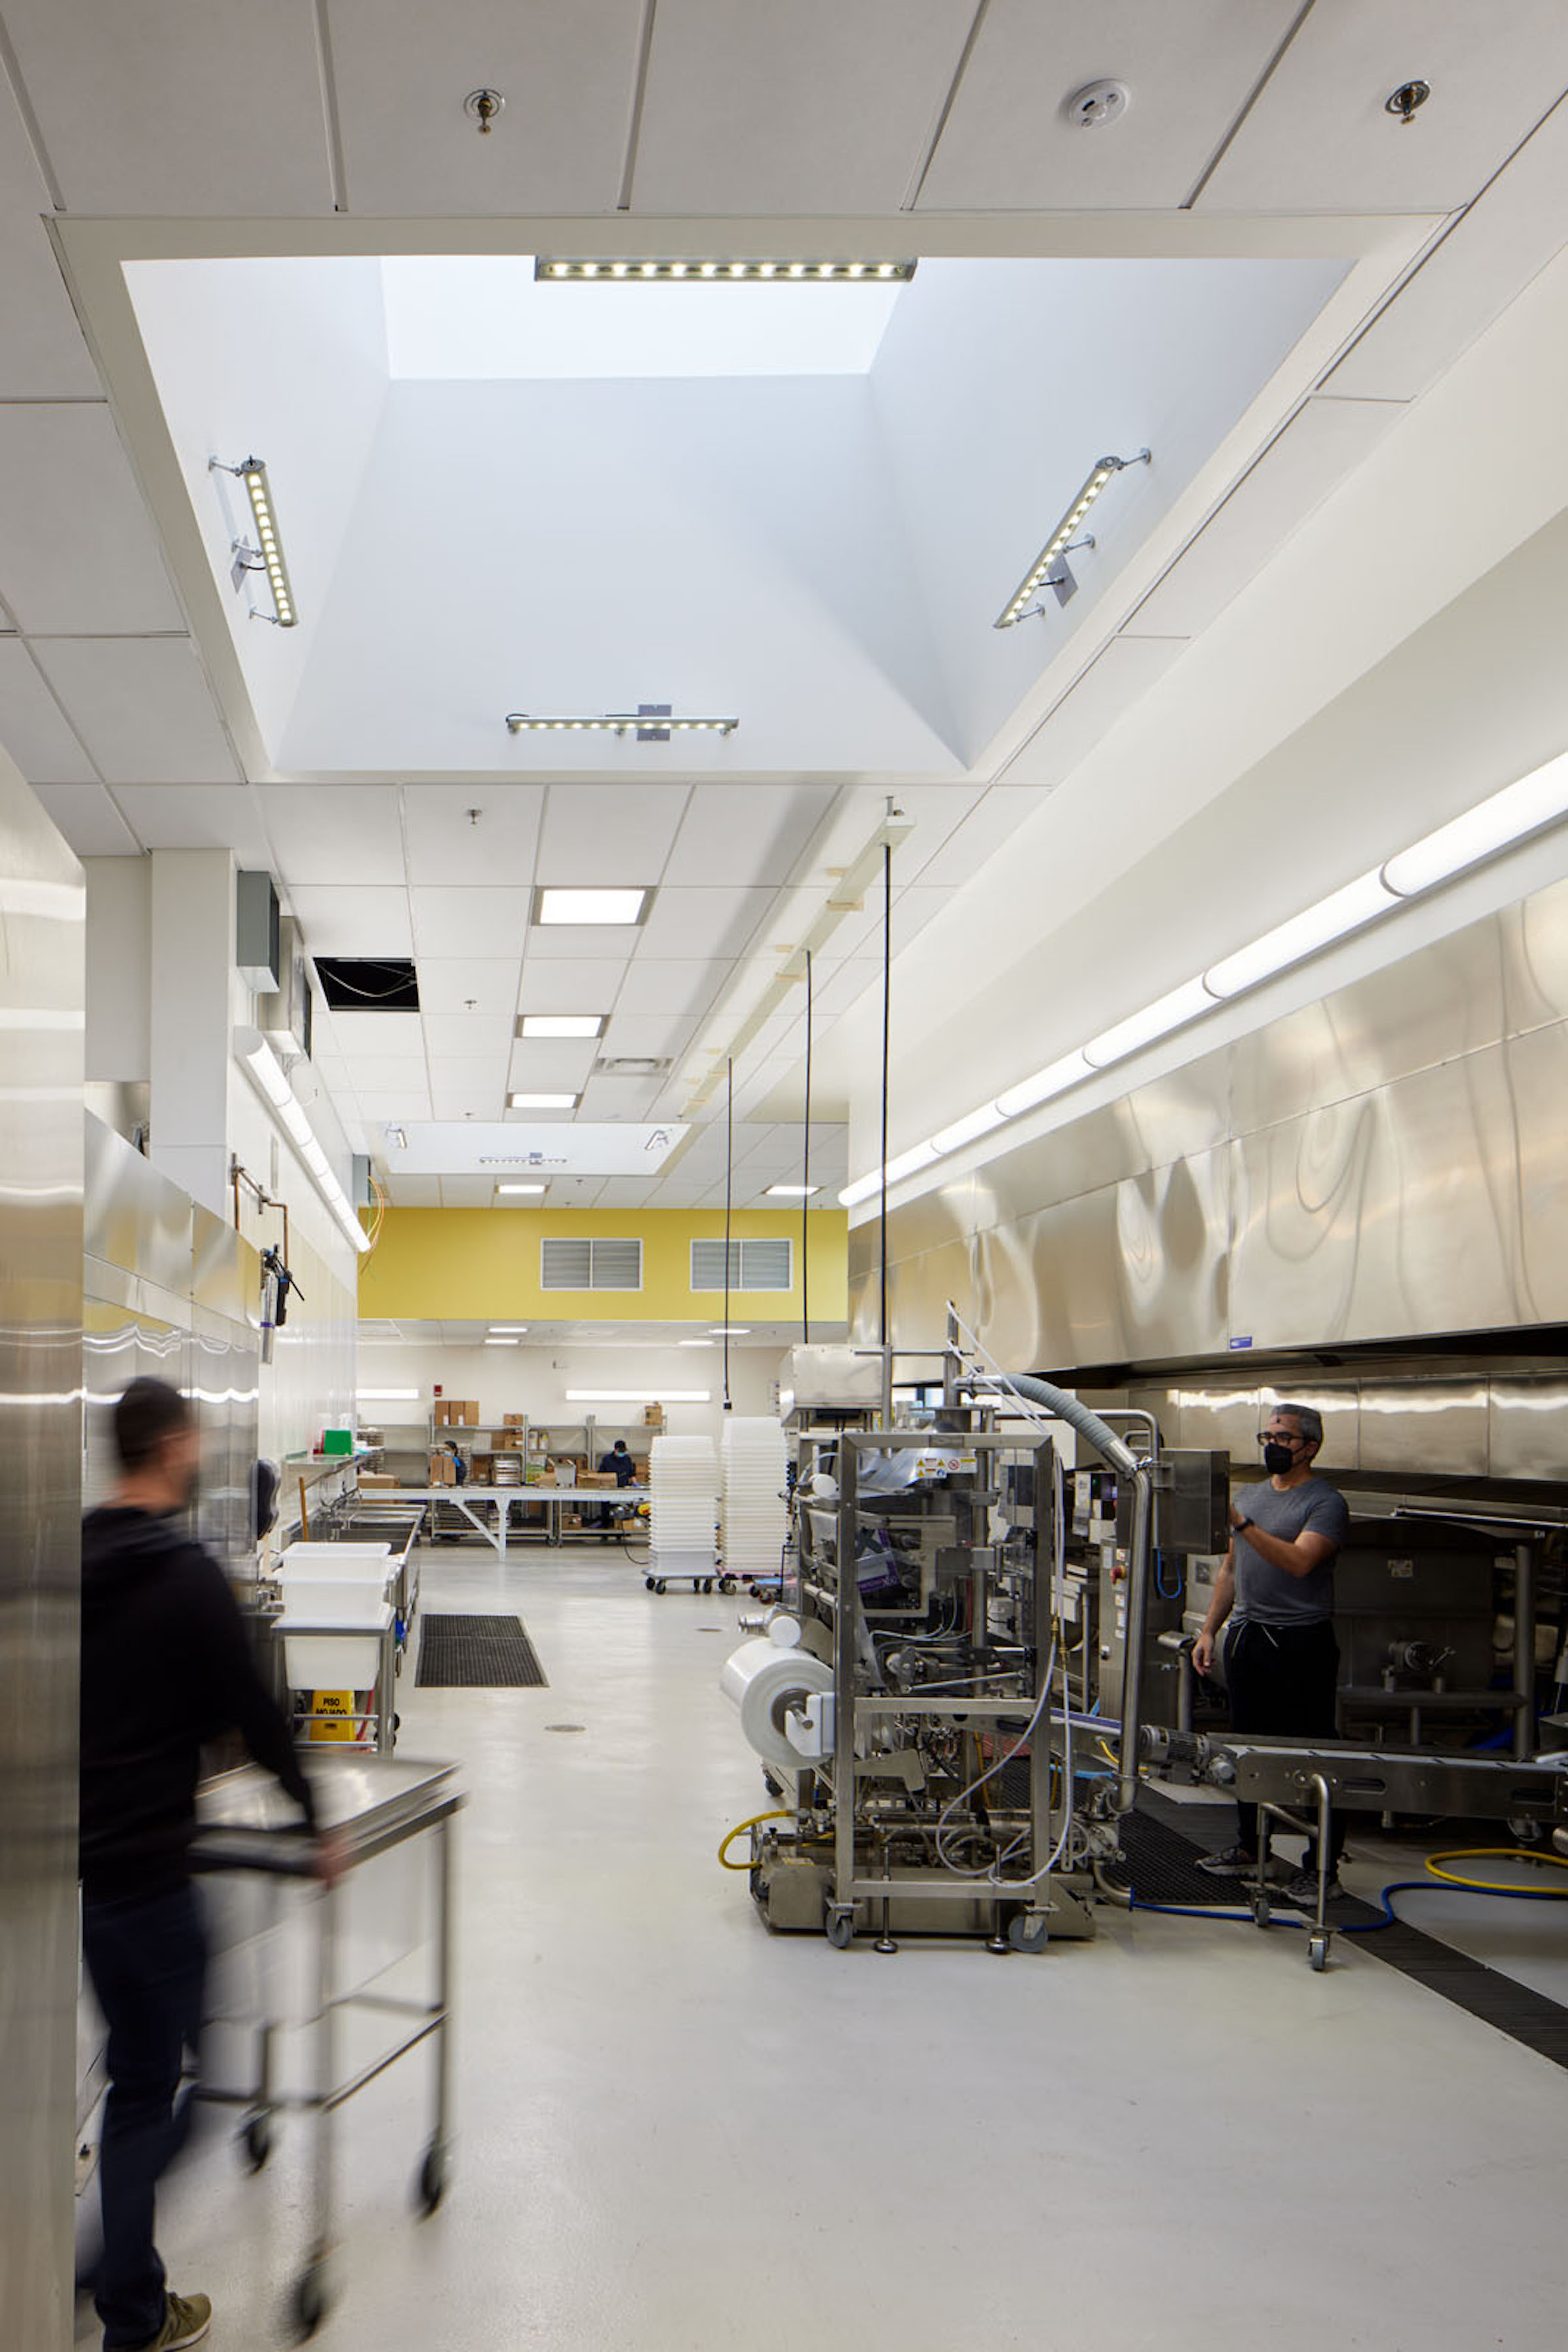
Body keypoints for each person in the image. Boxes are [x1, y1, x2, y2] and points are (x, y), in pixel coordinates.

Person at [80, 1378, 339, 2352]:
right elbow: (256, 1710)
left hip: (93, 1879)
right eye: (195, 1443)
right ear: (175, 1444)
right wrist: (316, 1819)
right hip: (153, 1874)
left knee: (134, 2082)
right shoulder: (185, 1572)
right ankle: (119, 2297)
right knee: (185, 2084)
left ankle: (125, 2286)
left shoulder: (73, 1555)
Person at [1192, 1403, 1350, 1906]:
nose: (1273, 1444)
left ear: (1310, 1446)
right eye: (1268, 1434)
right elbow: (1231, 1572)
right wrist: (1209, 1630)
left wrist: (1243, 1525)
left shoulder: (1325, 1502)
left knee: (1313, 1752)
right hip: (1249, 1636)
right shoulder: (1251, 1495)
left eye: (1284, 1437)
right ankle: (1250, 1846)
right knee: (1248, 1747)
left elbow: (1301, 1561)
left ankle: (1321, 1867)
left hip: (1301, 1642)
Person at [596, 1437, 636, 1537]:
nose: (622, 1453)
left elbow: (631, 1474)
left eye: (624, 1451)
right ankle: (605, 1532)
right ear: (615, 1450)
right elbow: (601, 1474)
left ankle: (621, 1531)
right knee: (606, 1509)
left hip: (623, 1488)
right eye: (620, 1451)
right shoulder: (607, 1460)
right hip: (609, 1489)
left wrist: (635, 1483)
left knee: (624, 1509)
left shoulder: (627, 1459)